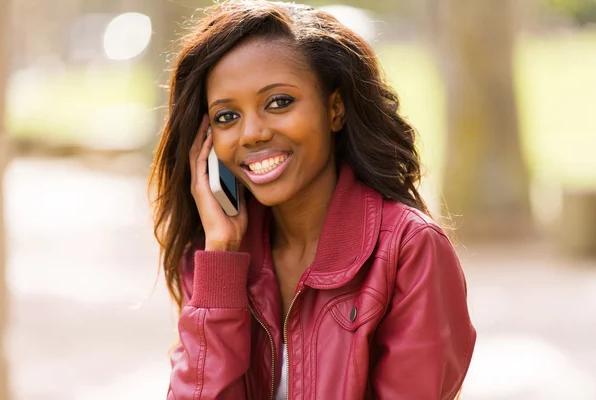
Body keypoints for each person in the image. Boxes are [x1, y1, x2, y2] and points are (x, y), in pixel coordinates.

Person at [149, 1, 476, 399]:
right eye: (226, 117)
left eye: (279, 102)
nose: (251, 133)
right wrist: (221, 257)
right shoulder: (214, 255)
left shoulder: (409, 250)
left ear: (334, 109)